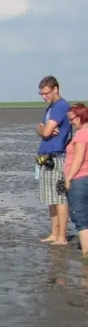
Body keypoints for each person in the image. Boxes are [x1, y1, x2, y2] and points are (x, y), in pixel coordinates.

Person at [36, 75, 72, 245]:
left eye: (46, 93)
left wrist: (45, 129)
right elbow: (40, 128)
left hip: (57, 157)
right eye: (41, 94)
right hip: (46, 156)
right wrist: (43, 128)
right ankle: (54, 232)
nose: (44, 96)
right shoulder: (51, 107)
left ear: (55, 89)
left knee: (59, 198)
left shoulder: (61, 106)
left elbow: (45, 131)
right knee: (50, 198)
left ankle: (61, 236)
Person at [63, 103, 88, 257]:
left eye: (72, 119)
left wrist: (68, 179)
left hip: (79, 179)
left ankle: (86, 252)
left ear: (80, 117)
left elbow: (78, 160)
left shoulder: (81, 134)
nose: (71, 122)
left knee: (80, 217)